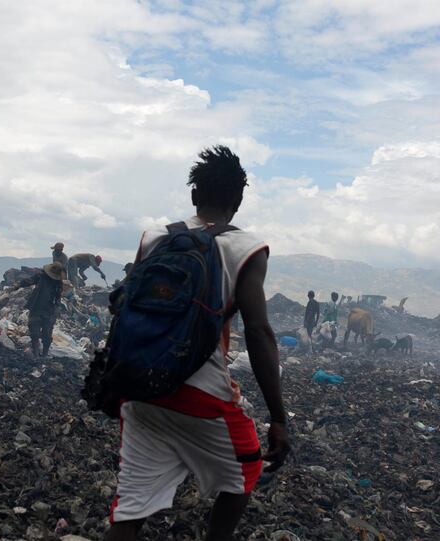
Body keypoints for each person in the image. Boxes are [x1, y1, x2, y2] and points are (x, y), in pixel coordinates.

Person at [106, 146, 289, 541]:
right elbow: (258, 332)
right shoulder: (247, 249)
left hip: (140, 389)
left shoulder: (154, 237)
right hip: (201, 395)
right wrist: (279, 417)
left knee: (131, 507)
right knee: (246, 469)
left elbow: (125, 308)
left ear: (194, 195)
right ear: (238, 202)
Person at [14, 262, 65, 357]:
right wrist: (18, 285)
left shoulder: (58, 283)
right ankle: (36, 355)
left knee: (47, 334)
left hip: (49, 311)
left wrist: (55, 312)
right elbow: (29, 281)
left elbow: (58, 298)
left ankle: (44, 355)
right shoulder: (41, 276)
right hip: (36, 308)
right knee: (34, 332)